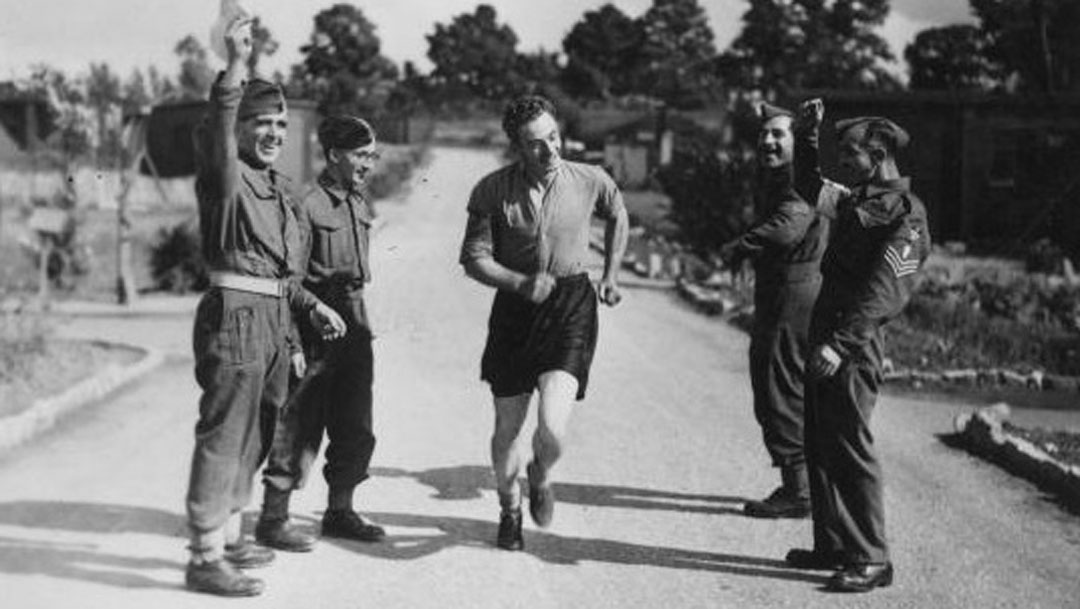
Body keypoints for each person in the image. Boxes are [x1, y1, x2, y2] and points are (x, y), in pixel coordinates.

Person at [184, 16, 345, 597]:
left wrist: (306, 318)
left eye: (281, 123)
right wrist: (234, 65)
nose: (274, 132)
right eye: (261, 123)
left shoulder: (277, 189)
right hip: (236, 315)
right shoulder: (226, 178)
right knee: (225, 431)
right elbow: (218, 120)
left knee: (258, 431)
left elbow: (284, 275)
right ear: (239, 129)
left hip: (274, 322)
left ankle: (229, 537)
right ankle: (203, 553)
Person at [459, 95, 629, 551]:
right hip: (515, 312)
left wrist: (610, 274)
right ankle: (509, 508)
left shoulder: (590, 179)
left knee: (553, 427)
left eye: (554, 137)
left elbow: (619, 214)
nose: (550, 150)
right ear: (518, 148)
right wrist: (517, 281)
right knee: (506, 429)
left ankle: (541, 473)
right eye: (536, 144)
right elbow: (473, 258)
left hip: (571, 304)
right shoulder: (492, 191)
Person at [785, 99, 931, 593]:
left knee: (849, 443)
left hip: (853, 342)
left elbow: (885, 290)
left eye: (850, 154)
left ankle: (871, 557)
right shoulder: (858, 201)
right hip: (828, 336)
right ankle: (833, 544)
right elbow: (809, 188)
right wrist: (807, 139)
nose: (842, 162)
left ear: (880, 152)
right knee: (821, 441)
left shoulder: (906, 215)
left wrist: (840, 344)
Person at [257, 115, 387, 550]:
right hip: (315, 321)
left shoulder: (359, 201)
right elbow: (288, 281)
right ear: (334, 155)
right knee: (299, 422)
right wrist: (294, 337)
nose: (369, 163)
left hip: (354, 318)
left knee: (355, 423)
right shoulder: (306, 204)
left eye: (372, 154)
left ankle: (340, 511)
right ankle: (273, 520)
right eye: (361, 154)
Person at [719, 102, 843, 519]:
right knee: (787, 385)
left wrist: (741, 246)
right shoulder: (780, 178)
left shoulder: (797, 181)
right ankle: (805, 483)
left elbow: (789, 225)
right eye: (765, 134)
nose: (768, 141)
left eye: (779, 135)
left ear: (797, 141)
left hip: (793, 294)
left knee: (777, 386)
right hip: (788, 289)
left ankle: (799, 490)